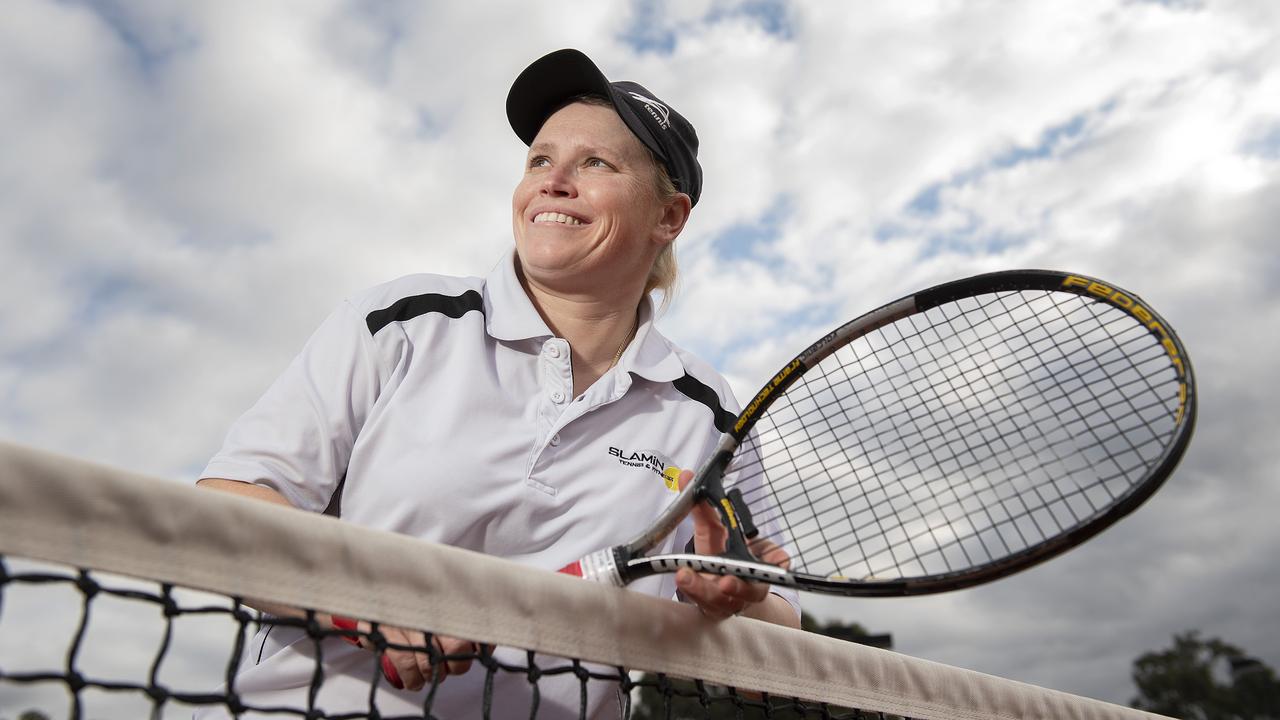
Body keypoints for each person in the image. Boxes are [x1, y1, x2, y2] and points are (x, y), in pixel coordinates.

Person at [195, 48, 800, 719]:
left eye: (595, 163)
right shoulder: (401, 323)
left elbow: (775, 660)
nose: (554, 181)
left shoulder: (707, 415)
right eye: (540, 160)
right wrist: (365, 601)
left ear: (669, 218)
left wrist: (735, 599)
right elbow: (228, 507)